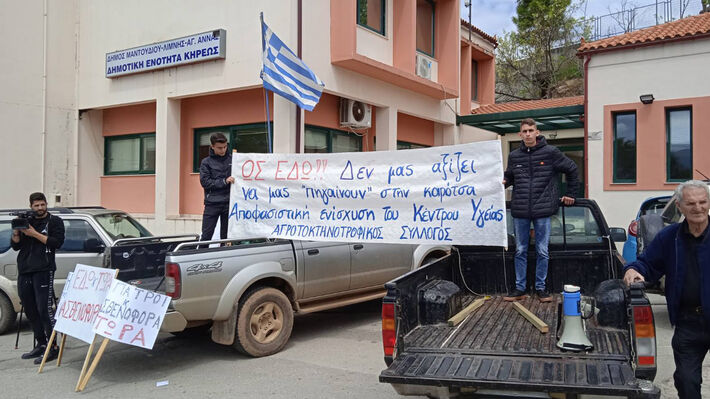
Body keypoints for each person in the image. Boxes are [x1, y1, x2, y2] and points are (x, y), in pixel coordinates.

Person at [623, 180, 710, 399]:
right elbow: (647, 264)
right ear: (679, 206)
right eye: (691, 203)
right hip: (688, 322)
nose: (698, 208)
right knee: (687, 381)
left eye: (703, 202)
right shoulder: (669, 237)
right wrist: (633, 270)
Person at [502, 118, 579, 302]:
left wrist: (571, 194)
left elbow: (572, 169)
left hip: (543, 210)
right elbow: (510, 177)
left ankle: (540, 288)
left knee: (542, 251)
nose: (528, 134)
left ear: (537, 132)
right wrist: (504, 182)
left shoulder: (551, 152)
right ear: (520, 134)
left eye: (531, 130)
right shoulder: (514, 156)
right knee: (520, 250)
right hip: (520, 210)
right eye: (524, 131)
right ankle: (519, 288)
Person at [10, 192, 65, 364]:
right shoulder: (27, 220)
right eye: (36, 206)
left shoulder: (54, 221)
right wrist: (17, 232)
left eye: (42, 205)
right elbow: (15, 246)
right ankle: (41, 344)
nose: (40, 208)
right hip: (25, 270)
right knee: (30, 309)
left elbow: (56, 243)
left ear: (46, 204)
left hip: (44, 269)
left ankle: (52, 347)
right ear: (31, 206)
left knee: (44, 309)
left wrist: (33, 233)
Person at [199, 132, 234, 241]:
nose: (223, 150)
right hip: (212, 204)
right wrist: (224, 181)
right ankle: (202, 256)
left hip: (229, 203)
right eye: (219, 148)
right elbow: (205, 182)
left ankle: (225, 256)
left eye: (225, 147)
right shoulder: (206, 162)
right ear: (212, 147)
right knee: (206, 235)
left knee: (226, 237)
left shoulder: (234, 160)